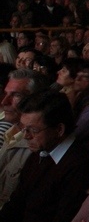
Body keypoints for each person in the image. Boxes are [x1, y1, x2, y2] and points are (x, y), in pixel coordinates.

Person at [0, 91, 89, 222]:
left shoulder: (80, 166)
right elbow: (16, 203)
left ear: (59, 129)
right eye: (23, 127)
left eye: (33, 130)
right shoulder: (40, 153)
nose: (25, 135)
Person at [0, 70, 49, 208]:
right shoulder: (11, 133)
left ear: (36, 99)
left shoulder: (38, 145)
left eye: (16, 95)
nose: (5, 101)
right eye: (6, 93)